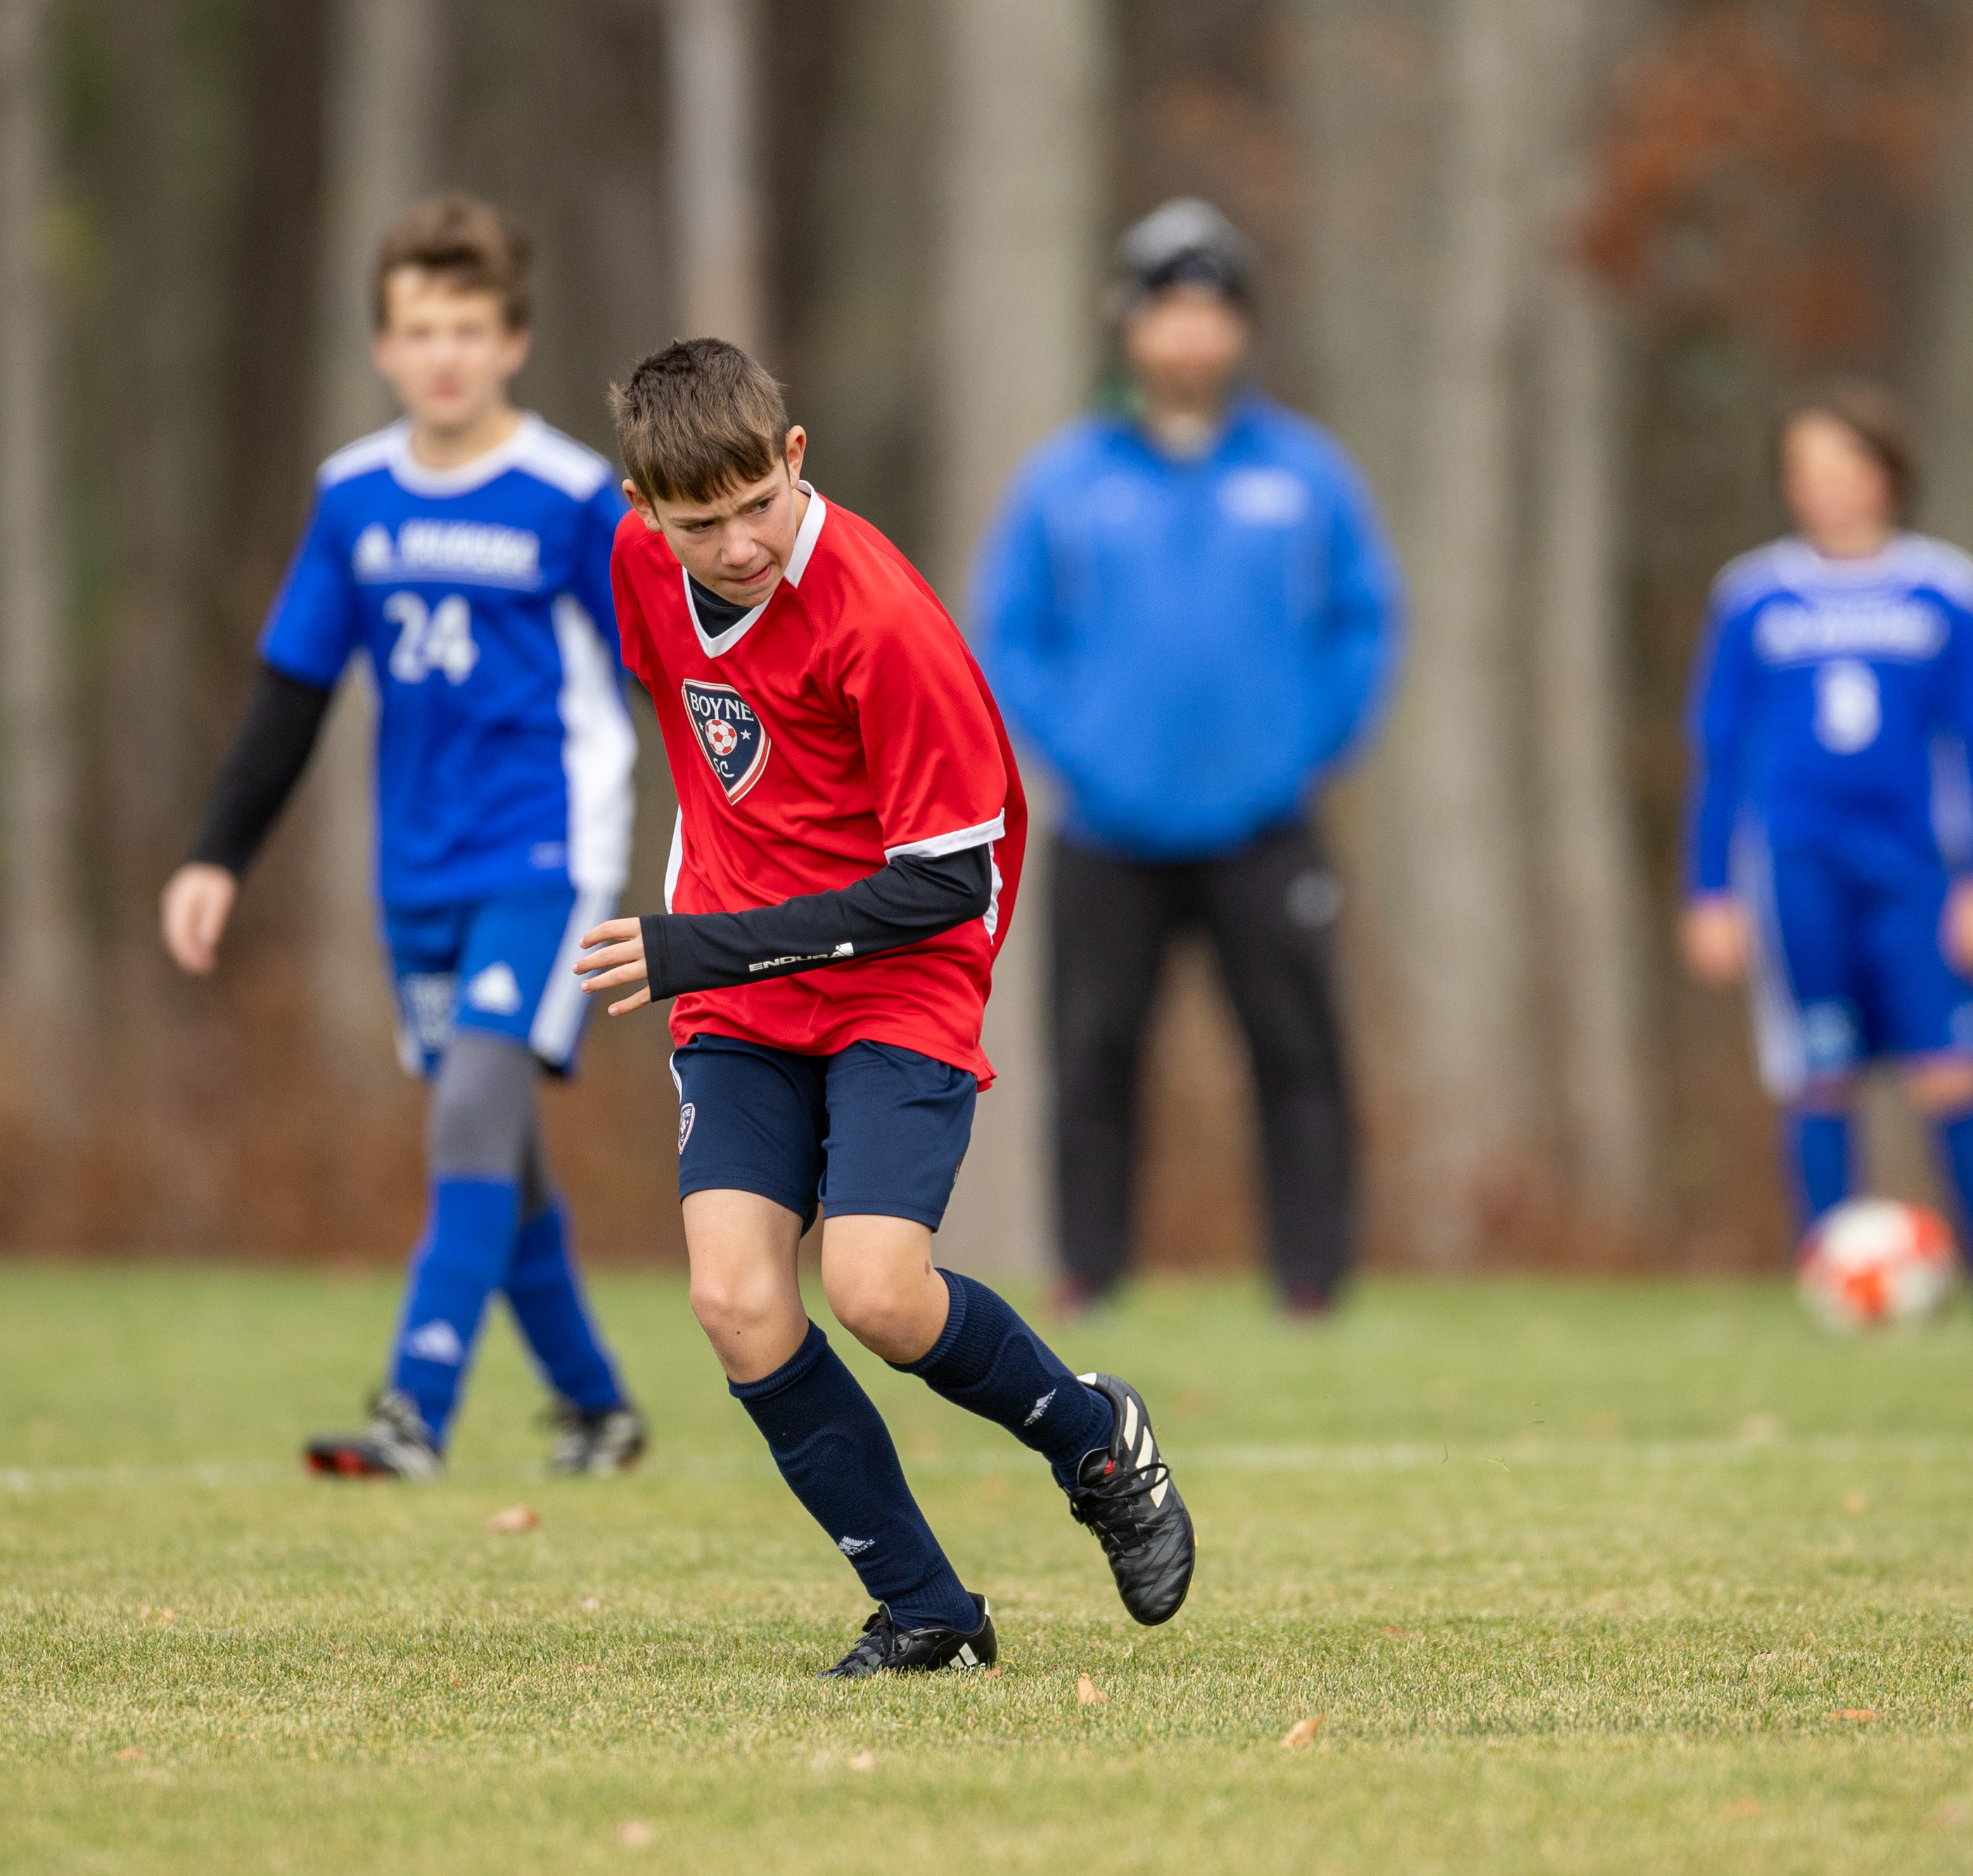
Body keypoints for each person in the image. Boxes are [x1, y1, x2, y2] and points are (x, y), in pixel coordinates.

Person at [577, 339, 1194, 1679]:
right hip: (740, 986)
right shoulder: (632, 562)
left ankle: (1095, 1441)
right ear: (645, 512)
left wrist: (704, 944)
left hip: (900, 974)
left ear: (794, 456)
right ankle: (930, 1613)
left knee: (874, 1289)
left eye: (758, 505)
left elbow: (944, 883)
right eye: (700, 524)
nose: (739, 545)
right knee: (735, 1300)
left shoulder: (881, 618)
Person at [160, 196, 644, 1480]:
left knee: (474, 1106)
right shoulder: (353, 497)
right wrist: (216, 855)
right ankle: (597, 1407)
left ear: (514, 341)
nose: (444, 354)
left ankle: (414, 1411)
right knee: (501, 1149)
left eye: (468, 329)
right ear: (382, 344)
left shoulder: (572, 498)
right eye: (420, 329)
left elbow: (664, 672)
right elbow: (293, 693)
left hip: (547, 855)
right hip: (417, 872)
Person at [976, 199, 1401, 1318]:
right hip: (1107, 828)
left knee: (1299, 1055)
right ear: (1128, 324)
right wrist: (1080, 756)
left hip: (1267, 824)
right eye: (1168, 311)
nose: (1191, 335)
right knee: (1093, 1057)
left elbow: (1364, 619)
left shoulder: (1304, 474)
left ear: (1243, 330)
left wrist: (1306, 749)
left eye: (1213, 313)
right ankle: (1089, 1273)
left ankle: (1311, 1283)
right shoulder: (1066, 479)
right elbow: (1011, 635)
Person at [1678, 385, 1973, 1313]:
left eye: (1847, 467)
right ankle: (1832, 1282)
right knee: (1819, 1070)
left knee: (1952, 1067)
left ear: (1888, 476)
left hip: (1917, 870)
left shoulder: (1947, 589)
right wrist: (1709, 890)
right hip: (1797, 867)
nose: (1828, 488)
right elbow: (1721, 751)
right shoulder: (1753, 596)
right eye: (1808, 471)